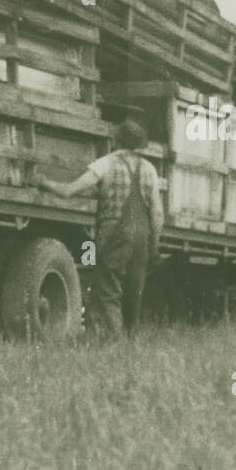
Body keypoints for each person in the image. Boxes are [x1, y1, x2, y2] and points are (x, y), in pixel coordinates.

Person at [36, 121, 164, 339]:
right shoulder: (149, 169)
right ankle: (130, 343)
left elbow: (69, 191)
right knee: (134, 295)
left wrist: (44, 182)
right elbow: (158, 214)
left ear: (116, 140)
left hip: (114, 237)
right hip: (142, 241)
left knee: (108, 293)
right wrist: (154, 245)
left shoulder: (105, 164)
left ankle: (113, 343)